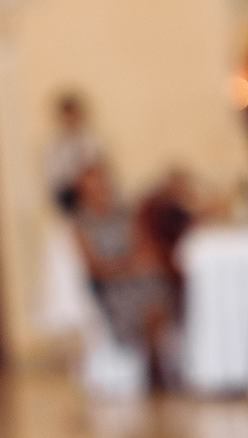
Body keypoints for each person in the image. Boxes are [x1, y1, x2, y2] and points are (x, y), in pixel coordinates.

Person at [66, 163, 173, 383]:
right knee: (141, 307)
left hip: (138, 279)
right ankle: (153, 364)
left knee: (158, 294)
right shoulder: (80, 224)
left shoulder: (125, 213)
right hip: (111, 287)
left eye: (101, 184)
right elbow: (95, 268)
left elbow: (144, 247)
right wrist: (128, 265)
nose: (99, 190)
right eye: (92, 187)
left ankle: (155, 359)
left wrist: (138, 263)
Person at [44, 91, 106, 212]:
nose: (70, 120)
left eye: (73, 115)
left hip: (89, 198)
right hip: (66, 197)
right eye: (67, 116)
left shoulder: (90, 141)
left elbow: (95, 169)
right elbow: (53, 178)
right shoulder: (53, 147)